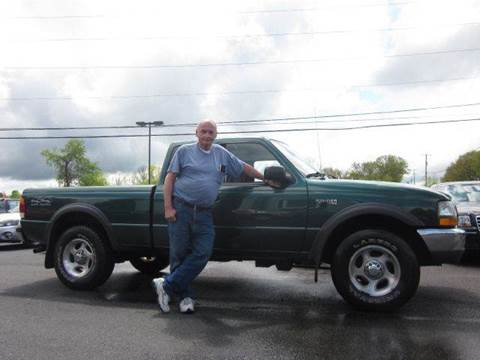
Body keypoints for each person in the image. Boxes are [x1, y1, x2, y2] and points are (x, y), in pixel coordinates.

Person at [152, 119, 277, 314]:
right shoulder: (184, 151)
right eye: (204, 131)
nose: (207, 135)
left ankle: (166, 285)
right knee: (179, 254)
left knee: (203, 252)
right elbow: (170, 178)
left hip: (204, 213)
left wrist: (265, 178)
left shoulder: (221, 153)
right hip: (182, 208)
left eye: (211, 132)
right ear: (197, 133)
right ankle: (185, 298)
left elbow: (243, 166)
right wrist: (168, 207)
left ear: (215, 135)